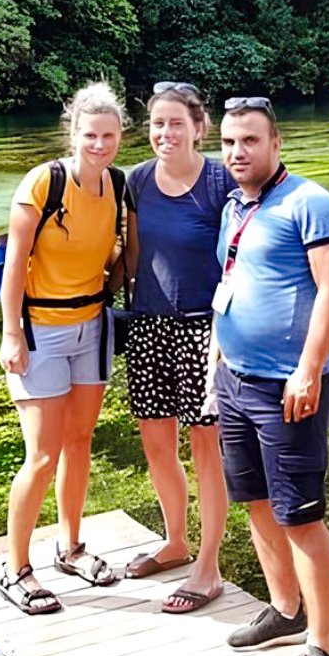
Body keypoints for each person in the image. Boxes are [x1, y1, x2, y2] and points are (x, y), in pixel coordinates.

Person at [210, 95, 329, 656]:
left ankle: (323, 649)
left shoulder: (311, 203)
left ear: (276, 144)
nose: (238, 153)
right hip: (234, 379)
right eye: (229, 143)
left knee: (300, 515)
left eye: (249, 141)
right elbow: (233, 283)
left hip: (286, 386)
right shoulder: (234, 205)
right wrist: (217, 355)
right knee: (256, 502)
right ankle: (285, 609)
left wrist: (308, 370)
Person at [0, 82, 129, 615]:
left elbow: (115, 259)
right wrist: (10, 333)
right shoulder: (43, 183)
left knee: (79, 442)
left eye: (109, 135)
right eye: (89, 134)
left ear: (121, 137)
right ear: (73, 133)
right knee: (42, 454)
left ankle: (70, 548)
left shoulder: (117, 186)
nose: (99, 144)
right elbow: (13, 264)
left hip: (92, 327)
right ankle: (15, 569)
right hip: (40, 330)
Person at [120, 81, 234, 613]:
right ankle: (175, 542)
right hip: (147, 326)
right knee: (156, 444)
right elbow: (133, 258)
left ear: (199, 127)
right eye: (157, 124)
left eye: (175, 124)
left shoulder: (219, 181)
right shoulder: (137, 181)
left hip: (204, 330)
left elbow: (241, 255)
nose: (165, 133)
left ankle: (208, 566)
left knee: (207, 448)